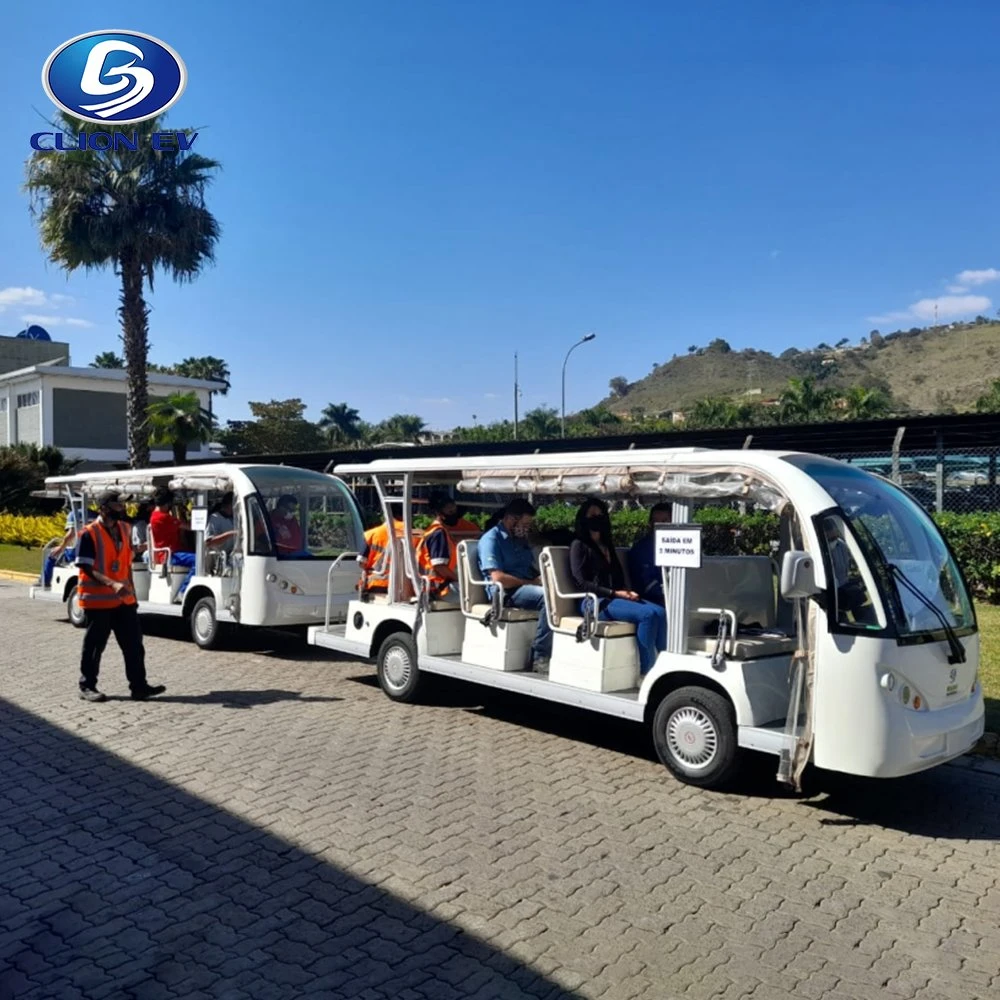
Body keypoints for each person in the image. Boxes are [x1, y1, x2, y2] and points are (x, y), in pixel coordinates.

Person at [75, 490, 166, 702]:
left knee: (134, 645)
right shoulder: (89, 533)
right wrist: (112, 584)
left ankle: (139, 687)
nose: (123, 508)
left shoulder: (125, 529)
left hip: (124, 601)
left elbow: (126, 563)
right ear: (104, 508)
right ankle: (87, 686)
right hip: (98, 601)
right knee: (95, 646)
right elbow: (86, 567)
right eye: (118, 505)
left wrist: (131, 593)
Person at [571, 498, 666, 676]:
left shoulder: (607, 546)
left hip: (613, 598)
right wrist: (615, 593)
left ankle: (664, 664)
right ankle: (647, 672)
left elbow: (618, 576)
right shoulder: (579, 545)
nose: (597, 518)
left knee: (660, 612)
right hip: (592, 602)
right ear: (583, 518)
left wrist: (626, 592)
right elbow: (581, 582)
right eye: (592, 515)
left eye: (600, 515)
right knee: (648, 615)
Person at [477, 498, 552, 671]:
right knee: (548, 599)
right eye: (525, 524)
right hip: (506, 592)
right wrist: (531, 582)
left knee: (556, 593)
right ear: (511, 519)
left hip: (525, 586)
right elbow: (497, 578)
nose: (527, 529)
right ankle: (540, 656)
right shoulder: (491, 539)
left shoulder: (519, 540)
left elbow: (529, 567)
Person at [415, 493, 480, 603]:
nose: (454, 514)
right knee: (480, 593)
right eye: (449, 511)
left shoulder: (437, 531)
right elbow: (440, 567)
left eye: (454, 509)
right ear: (439, 513)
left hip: (438, 584)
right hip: (439, 587)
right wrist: (460, 579)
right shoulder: (438, 533)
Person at [149, 487, 196, 594]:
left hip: (166, 554)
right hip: (169, 555)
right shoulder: (164, 518)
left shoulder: (154, 515)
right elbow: (189, 526)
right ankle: (183, 591)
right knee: (199, 560)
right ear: (167, 503)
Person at [627, 502, 672, 604]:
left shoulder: (679, 547)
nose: (660, 525)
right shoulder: (640, 550)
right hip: (651, 600)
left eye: (665, 521)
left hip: (675, 596)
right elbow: (646, 585)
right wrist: (670, 594)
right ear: (650, 523)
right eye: (655, 521)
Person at [42, 502, 96, 587]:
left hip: (75, 552)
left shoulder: (73, 514)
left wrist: (61, 547)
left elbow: (71, 534)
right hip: (94, 550)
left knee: (51, 554)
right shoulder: (95, 514)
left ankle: (45, 581)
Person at [359, 516, 408, 597]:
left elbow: (362, 563)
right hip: (405, 586)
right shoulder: (411, 532)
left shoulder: (371, 534)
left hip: (377, 584)